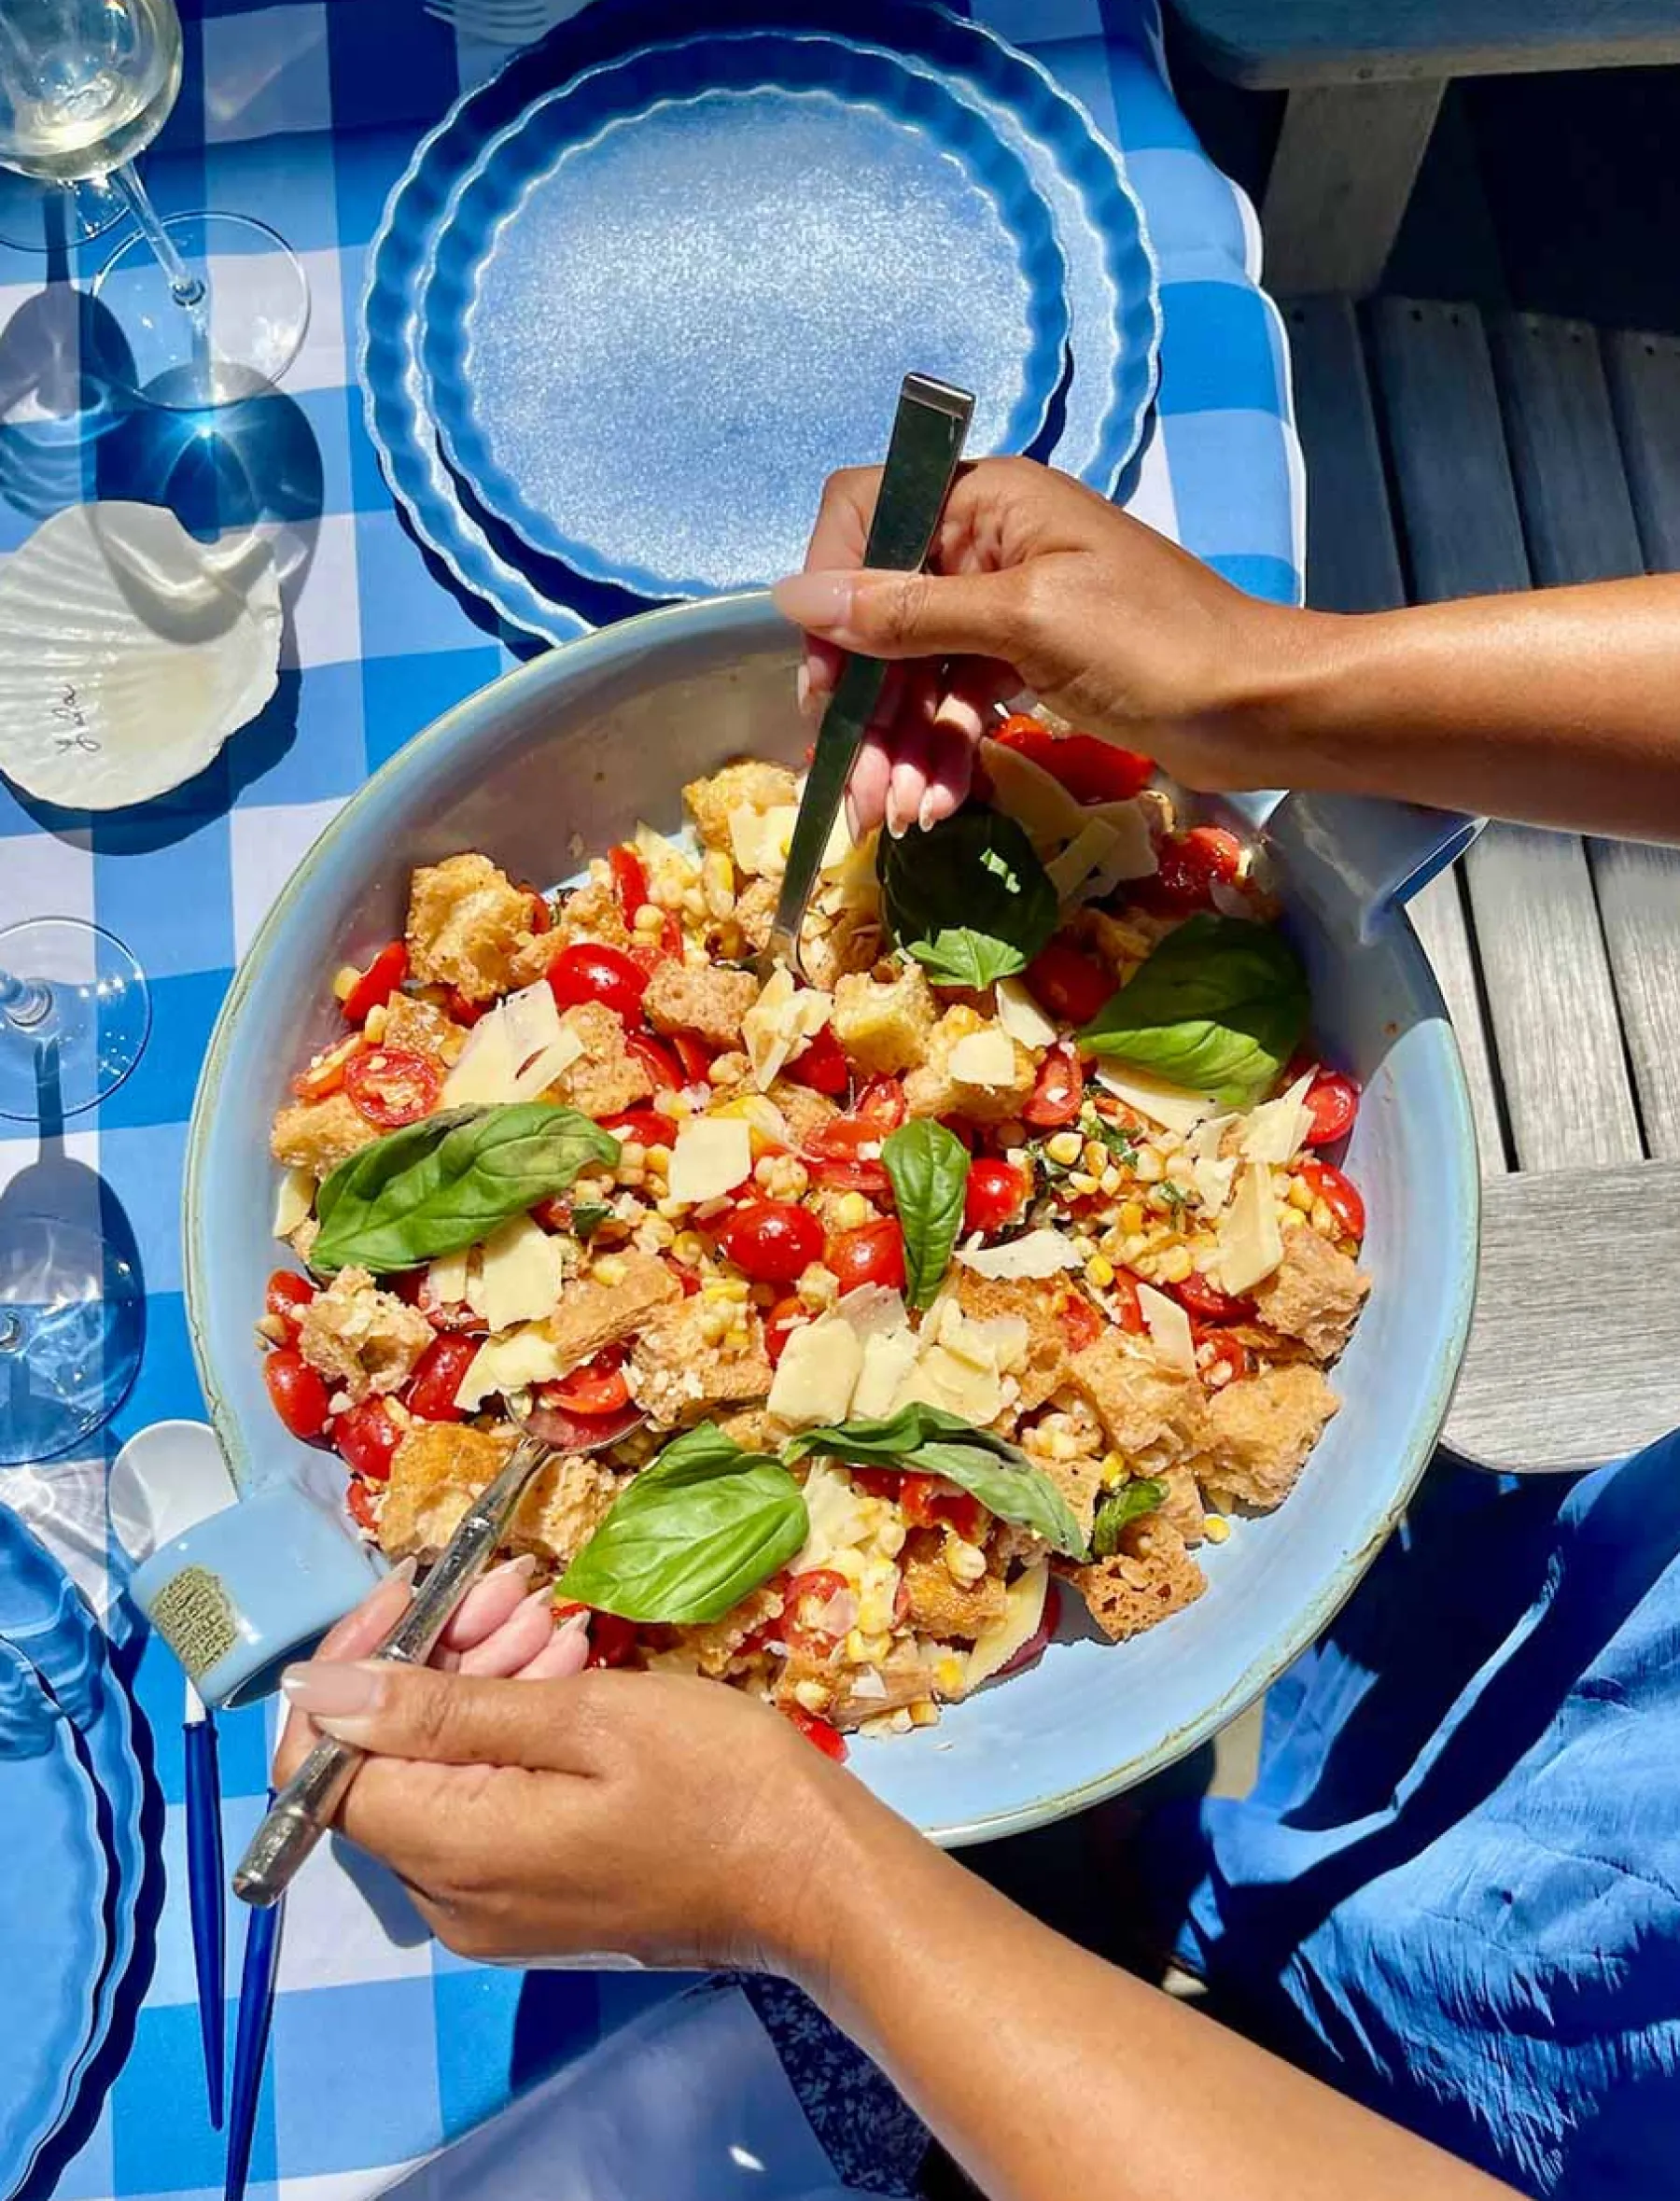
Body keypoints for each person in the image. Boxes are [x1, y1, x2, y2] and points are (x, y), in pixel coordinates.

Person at [275, 459, 1680, 2201]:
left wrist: (814, 1886)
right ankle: (1180, 1878)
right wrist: (1269, 681)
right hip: (1574, 1653)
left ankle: (1181, 1912)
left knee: (1268, 1881)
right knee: (1312, 1743)